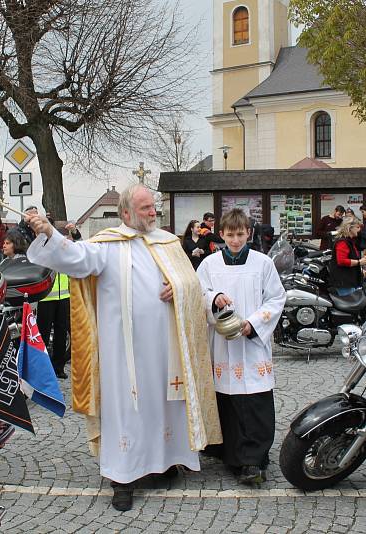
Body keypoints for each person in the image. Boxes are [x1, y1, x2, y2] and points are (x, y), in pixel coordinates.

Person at [25, 184, 221, 512]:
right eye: (145, 208)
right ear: (127, 212)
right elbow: (74, 258)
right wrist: (50, 235)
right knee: (126, 411)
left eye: (153, 207)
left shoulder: (169, 243)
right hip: (123, 353)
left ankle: (163, 463)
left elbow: (191, 283)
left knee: (163, 404)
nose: (152, 212)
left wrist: (180, 289)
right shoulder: (107, 246)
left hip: (165, 349)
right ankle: (123, 477)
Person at [196, 208, 286, 486]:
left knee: (255, 400)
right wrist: (214, 298)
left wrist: (254, 324)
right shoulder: (210, 265)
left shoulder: (262, 263)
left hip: (252, 343)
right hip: (223, 345)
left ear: (249, 233)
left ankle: (254, 459)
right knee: (229, 400)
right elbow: (197, 292)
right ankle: (230, 453)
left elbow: (276, 298)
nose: (235, 240)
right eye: (230, 235)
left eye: (240, 234)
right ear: (221, 234)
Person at [37, 265, 71, 379]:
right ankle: (41, 368)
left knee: (61, 333)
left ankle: (58, 368)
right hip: (46, 297)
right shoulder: (46, 250)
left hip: (64, 296)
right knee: (43, 334)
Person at [330, 218, 366, 296]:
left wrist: (360, 270)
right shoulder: (342, 242)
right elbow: (341, 261)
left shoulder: (349, 241)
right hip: (343, 281)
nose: (359, 230)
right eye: (357, 227)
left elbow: (351, 258)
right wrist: (359, 262)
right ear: (350, 228)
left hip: (348, 280)